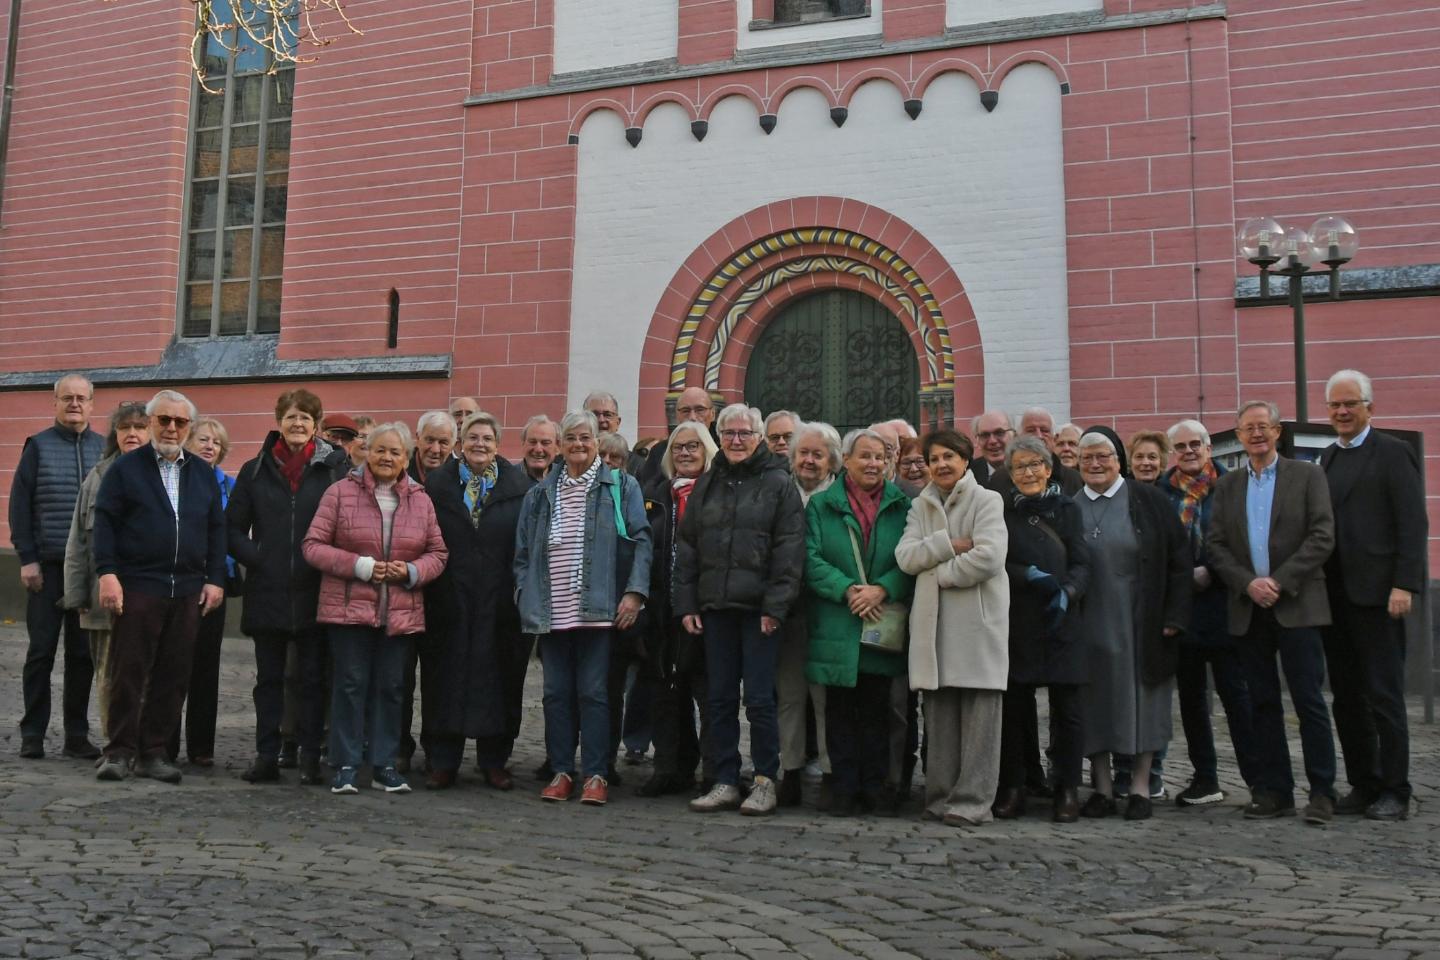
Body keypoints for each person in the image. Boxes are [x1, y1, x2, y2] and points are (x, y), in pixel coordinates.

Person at [1206, 400, 1338, 824]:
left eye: (1264, 427)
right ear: (1240, 436)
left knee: (1309, 702)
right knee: (1261, 703)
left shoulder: (1308, 475)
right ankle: (1274, 790)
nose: (1257, 434)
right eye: (1248, 428)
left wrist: (1279, 581)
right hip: (1249, 607)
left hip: (1296, 604)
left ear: (1278, 431)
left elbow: (1322, 535)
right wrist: (1248, 582)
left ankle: (1321, 791)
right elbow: (1216, 546)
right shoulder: (1227, 486)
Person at [514, 410, 652, 807]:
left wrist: (635, 593)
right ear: (560, 445)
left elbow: (641, 541)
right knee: (556, 694)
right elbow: (522, 553)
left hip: (599, 610)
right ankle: (561, 770)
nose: (578, 445)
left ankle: (596, 773)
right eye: (571, 438)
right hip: (551, 610)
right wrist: (524, 592)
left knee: (594, 693)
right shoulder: (539, 494)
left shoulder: (620, 486)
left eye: (585, 438)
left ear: (597, 442)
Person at [302, 421, 448, 795]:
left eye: (395, 452)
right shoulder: (339, 493)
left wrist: (412, 571)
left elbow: (438, 553)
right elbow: (313, 546)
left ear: (406, 458)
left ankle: (385, 763)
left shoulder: (421, 498)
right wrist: (359, 566)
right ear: (367, 452)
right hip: (349, 609)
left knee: (391, 688)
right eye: (380, 449)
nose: (386, 457)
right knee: (349, 686)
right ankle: (346, 764)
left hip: (400, 609)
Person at [91, 390, 226, 783]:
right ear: (151, 423)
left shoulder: (202, 473)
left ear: (189, 427)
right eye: (163, 420)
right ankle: (118, 751)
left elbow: (217, 530)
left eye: (179, 422)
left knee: (174, 673)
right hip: (138, 584)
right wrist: (107, 573)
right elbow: (105, 522)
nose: (170, 428)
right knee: (128, 670)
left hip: (186, 588)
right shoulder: (126, 469)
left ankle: (153, 752)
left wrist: (215, 579)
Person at [676, 403, 805, 816]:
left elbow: (789, 549)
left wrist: (776, 606)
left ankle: (766, 780)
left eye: (744, 434)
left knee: (762, 701)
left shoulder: (778, 482)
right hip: (715, 607)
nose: (735, 440)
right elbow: (688, 545)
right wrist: (688, 603)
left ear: (758, 439)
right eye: (728, 433)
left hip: (759, 611)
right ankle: (726, 779)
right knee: (719, 698)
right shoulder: (709, 482)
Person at [1318, 370, 1426, 821]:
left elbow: (1412, 524)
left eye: (1351, 404)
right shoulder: (1326, 459)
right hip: (1335, 598)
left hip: (1381, 596)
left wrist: (1405, 583)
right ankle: (1364, 783)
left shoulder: (1393, 454)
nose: (1342, 412)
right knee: (1345, 696)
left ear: (1369, 408)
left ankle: (1395, 790)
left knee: (1384, 696)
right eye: (1335, 406)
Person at [227, 388, 350, 785]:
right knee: (269, 681)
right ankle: (267, 753)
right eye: (291, 416)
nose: (298, 424)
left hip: (317, 588)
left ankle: (311, 756)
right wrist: (258, 557)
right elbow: (231, 529)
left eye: (306, 418)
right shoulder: (255, 469)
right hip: (268, 588)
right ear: (279, 420)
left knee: (314, 679)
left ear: (317, 424)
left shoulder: (334, 468)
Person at [1073, 429, 1189, 821]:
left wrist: (1175, 616)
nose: (1095, 463)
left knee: (1146, 702)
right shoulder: (1070, 507)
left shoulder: (1149, 500)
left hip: (1142, 621)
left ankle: (1140, 787)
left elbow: (1179, 562)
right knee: (1095, 705)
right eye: (1087, 457)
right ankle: (1102, 788)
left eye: (1103, 455)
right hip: (1089, 625)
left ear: (1119, 458)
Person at [895, 428, 1008, 826]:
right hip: (934, 626)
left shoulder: (987, 500)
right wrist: (948, 544)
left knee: (980, 720)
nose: (941, 464)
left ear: (964, 460)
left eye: (949, 457)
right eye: (934, 458)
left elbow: (989, 557)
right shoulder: (921, 506)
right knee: (940, 718)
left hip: (977, 625)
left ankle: (974, 801)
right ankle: (939, 796)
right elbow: (906, 557)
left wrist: (939, 574)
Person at [804, 428, 914, 816]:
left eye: (880, 457)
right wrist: (849, 589)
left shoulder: (903, 506)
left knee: (879, 710)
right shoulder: (821, 506)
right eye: (864, 456)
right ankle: (844, 787)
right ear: (845, 461)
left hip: (882, 619)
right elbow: (811, 559)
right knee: (839, 711)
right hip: (838, 619)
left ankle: (876, 786)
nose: (873, 464)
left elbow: (911, 560)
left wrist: (882, 589)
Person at [423, 411, 534, 790]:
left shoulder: (518, 489)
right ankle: (443, 761)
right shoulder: (436, 487)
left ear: (498, 445)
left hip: (500, 604)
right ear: (459, 444)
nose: (479, 444)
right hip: (448, 600)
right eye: (472, 438)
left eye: (487, 438)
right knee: (445, 680)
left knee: (500, 680)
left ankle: (494, 760)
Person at [991, 435, 1090, 822]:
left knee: (1069, 710)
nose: (1028, 472)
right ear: (1010, 474)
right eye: (1020, 467)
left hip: (1061, 618)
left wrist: (1068, 592)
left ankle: (1067, 788)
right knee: (1015, 707)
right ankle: (1014, 785)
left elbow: (1083, 562)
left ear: (1049, 469)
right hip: (1017, 618)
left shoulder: (1069, 509)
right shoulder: (1002, 511)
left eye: (1035, 465)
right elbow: (996, 558)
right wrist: (1026, 574)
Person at [1160, 419, 1259, 806]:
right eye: (1180, 446)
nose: (1188, 451)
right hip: (1183, 609)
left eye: (1195, 444)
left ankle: (1257, 779)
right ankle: (1206, 778)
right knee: (1192, 699)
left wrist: (1212, 571)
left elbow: (1245, 539)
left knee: (1238, 696)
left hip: (1226, 603)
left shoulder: (1231, 486)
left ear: (1207, 447)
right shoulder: (1163, 492)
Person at [10, 373, 104, 760]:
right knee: (41, 653)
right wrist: (27, 558)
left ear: (92, 404)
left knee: (83, 656)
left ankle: (76, 735)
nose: (75, 404)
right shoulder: (38, 447)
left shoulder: (104, 448)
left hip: (87, 571)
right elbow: (19, 506)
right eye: (67, 398)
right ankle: (32, 732)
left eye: (82, 398)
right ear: (55, 403)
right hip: (47, 568)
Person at [636, 421, 720, 798]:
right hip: (662, 608)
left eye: (693, 447)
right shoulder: (655, 494)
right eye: (678, 447)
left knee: (708, 693)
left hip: (705, 609)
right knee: (665, 694)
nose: (685, 453)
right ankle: (669, 768)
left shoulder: (718, 494)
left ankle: (715, 771)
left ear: (707, 452)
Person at [61, 401, 150, 742]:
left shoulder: (166, 473)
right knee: (108, 674)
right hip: (102, 596)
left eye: (139, 427)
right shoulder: (97, 476)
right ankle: (115, 743)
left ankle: (146, 742)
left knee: (147, 671)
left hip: (149, 592)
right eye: (125, 427)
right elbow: (77, 541)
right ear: (115, 433)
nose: (132, 434)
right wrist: (77, 593)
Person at [775, 420, 841, 806]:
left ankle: (832, 771)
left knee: (826, 697)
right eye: (804, 453)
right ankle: (792, 770)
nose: (810, 461)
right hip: (789, 613)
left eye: (818, 454)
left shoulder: (840, 499)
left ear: (832, 460)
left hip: (830, 611)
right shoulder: (781, 493)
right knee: (790, 695)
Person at [166, 416, 235, 768]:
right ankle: (164, 744)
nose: (210, 446)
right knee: (172, 664)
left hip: (215, 583)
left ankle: (201, 747)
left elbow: (237, 533)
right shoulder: (175, 478)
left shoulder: (230, 486)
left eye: (216, 442)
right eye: (203, 439)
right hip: (178, 582)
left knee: (206, 668)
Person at [398, 409, 458, 769]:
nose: (436, 448)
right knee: (399, 679)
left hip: (443, 596)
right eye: (430, 440)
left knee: (439, 680)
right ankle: (399, 747)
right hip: (401, 591)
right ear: (416, 439)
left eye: (444, 442)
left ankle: (437, 749)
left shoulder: (458, 480)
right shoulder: (397, 473)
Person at [639, 385, 716, 484]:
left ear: (712, 414)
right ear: (677, 415)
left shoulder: (724, 449)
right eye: (685, 411)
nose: (692, 417)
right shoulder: (660, 451)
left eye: (700, 410)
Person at [968, 410, 1012, 485]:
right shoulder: (968, 474)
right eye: (985, 435)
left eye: (999, 433)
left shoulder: (1027, 470)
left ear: (1013, 435)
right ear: (977, 441)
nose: (992, 441)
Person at [520, 414, 560, 483]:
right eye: (532, 442)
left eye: (545, 443)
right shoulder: (508, 477)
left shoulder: (566, 478)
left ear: (557, 447)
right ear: (523, 444)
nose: (538, 449)